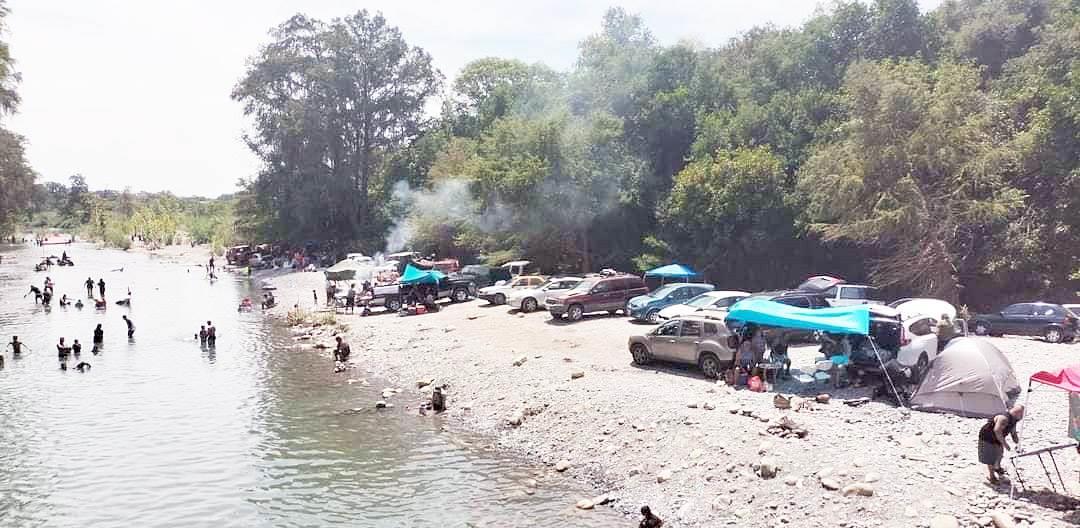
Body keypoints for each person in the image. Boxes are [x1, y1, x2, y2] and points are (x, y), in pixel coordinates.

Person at [979, 404, 1025, 484]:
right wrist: (1005, 444)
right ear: (1017, 413)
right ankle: (992, 476)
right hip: (988, 437)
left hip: (997, 438)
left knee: (999, 453)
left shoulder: (1014, 420)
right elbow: (997, 431)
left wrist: (1018, 443)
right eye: (1022, 415)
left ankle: (997, 467)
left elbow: (1013, 432)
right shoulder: (1004, 418)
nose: (1022, 418)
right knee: (991, 457)